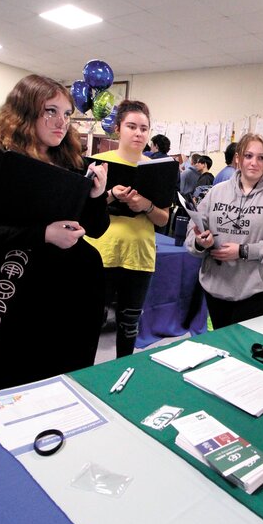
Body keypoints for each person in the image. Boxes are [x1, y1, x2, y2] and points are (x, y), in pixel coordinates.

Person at [0, 74, 110, 398]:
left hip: (67, 297)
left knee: (56, 383)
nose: (61, 122)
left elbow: (96, 229)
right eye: (50, 111)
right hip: (11, 291)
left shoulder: (69, 159)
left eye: (67, 113)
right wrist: (42, 234)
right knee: (3, 386)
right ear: (23, 111)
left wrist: (96, 197)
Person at [85, 100, 170, 358]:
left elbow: (163, 219)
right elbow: (83, 212)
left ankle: (124, 370)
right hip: (100, 252)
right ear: (118, 128)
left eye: (144, 128)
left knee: (129, 324)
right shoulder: (99, 162)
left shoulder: (159, 168)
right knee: (90, 322)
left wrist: (145, 205)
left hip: (139, 257)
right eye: (131, 126)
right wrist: (109, 195)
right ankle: (83, 376)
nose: (138, 133)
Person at [185, 133, 263, 329]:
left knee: (244, 353)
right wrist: (200, 242)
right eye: (248, 156)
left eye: (261, 157)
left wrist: (244, 251)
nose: (254, 162)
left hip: (257, 292)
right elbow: (192, 232)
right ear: (238, 158)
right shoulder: (217, 191)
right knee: (220, 348)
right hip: (216, 288)